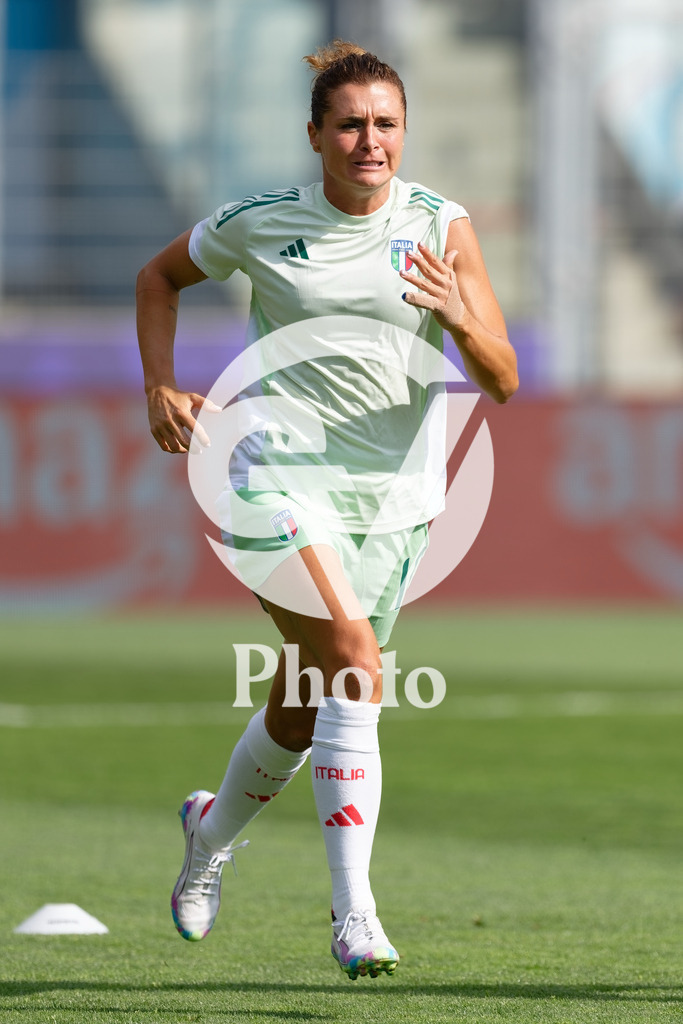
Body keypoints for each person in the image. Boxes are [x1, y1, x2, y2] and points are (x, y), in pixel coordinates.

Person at [136, 40, 518, 981]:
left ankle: (209, 832)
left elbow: (502, 380)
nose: (368, 141)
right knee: (353, 663)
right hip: (270, 472)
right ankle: (355, 917)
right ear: (314, 135)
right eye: (348, 124)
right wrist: (159, 385)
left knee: (307, 704)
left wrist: (459, 317)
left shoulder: (440, 226)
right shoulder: (260, 224)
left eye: (385, 124)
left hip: (393, 501)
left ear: (403, 132)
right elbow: (159, 279)